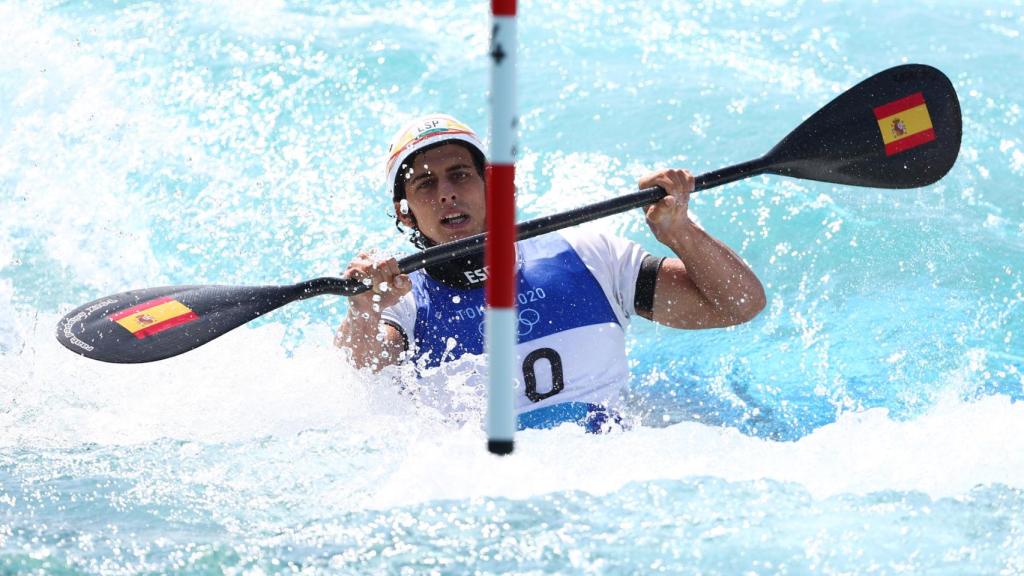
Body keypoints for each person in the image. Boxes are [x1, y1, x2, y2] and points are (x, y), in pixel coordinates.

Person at [336, 114, 765, 432]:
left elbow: (738, 305)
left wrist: (681, 233)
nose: (446, 192)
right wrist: (362, 310)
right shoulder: (401, 303)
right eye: (425, 184)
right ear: (404, 213)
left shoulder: (589, 256)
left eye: (460, 174)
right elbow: (359, 380)